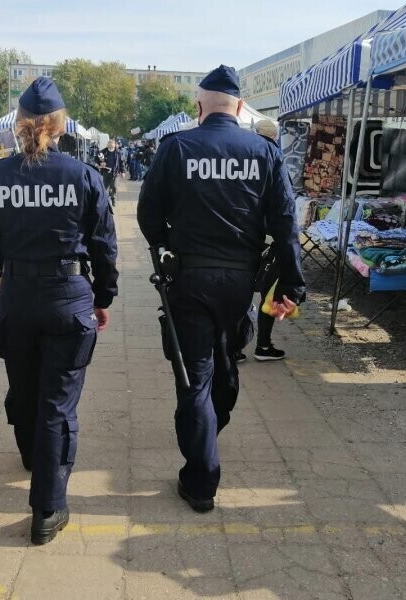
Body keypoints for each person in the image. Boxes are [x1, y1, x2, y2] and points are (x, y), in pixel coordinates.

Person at [0, 77, 119, 545]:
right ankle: (47, 509)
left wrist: (6, 255)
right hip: (69, 298)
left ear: (21, 124)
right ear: (60, 124)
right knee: (57, 404)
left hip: (20, 298)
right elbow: (105, 246)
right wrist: (103, 297)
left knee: (26, 389)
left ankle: (32, 454)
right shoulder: (84, 175)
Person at [137, 65, 305, 512]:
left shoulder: (176, 148)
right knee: (225, 370)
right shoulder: (264, 151)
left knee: (195, 380)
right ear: (238, 107)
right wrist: (292, 285)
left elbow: (148, 215)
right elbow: (286, 224)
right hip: (239, 282)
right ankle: (203, 456)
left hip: (188, 278)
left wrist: (166, 247)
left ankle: (201, 473)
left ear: (198, 106)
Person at [237, 119, 287, 363]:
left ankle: (235, 347)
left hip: (244, 235)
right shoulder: (276, 158)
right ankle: (263, 345)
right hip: (271, 236)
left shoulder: (242, 156)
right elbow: (283, 203)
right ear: (275, 138)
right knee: (270, 293)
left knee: (242, 291)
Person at [98, 139, 122, 206]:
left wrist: (123, 171)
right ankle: (103, 200)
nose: (111, 144)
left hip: (115, 173)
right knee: (104, 187)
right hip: (106, 173)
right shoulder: (102, 152)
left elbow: (121, 162)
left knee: (114, 186)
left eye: (112, 143)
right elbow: (96, 159)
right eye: (109, 143)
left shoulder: (118, 153)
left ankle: (113, 198)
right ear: (107, 144)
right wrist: (100, 163)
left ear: (115, 145)